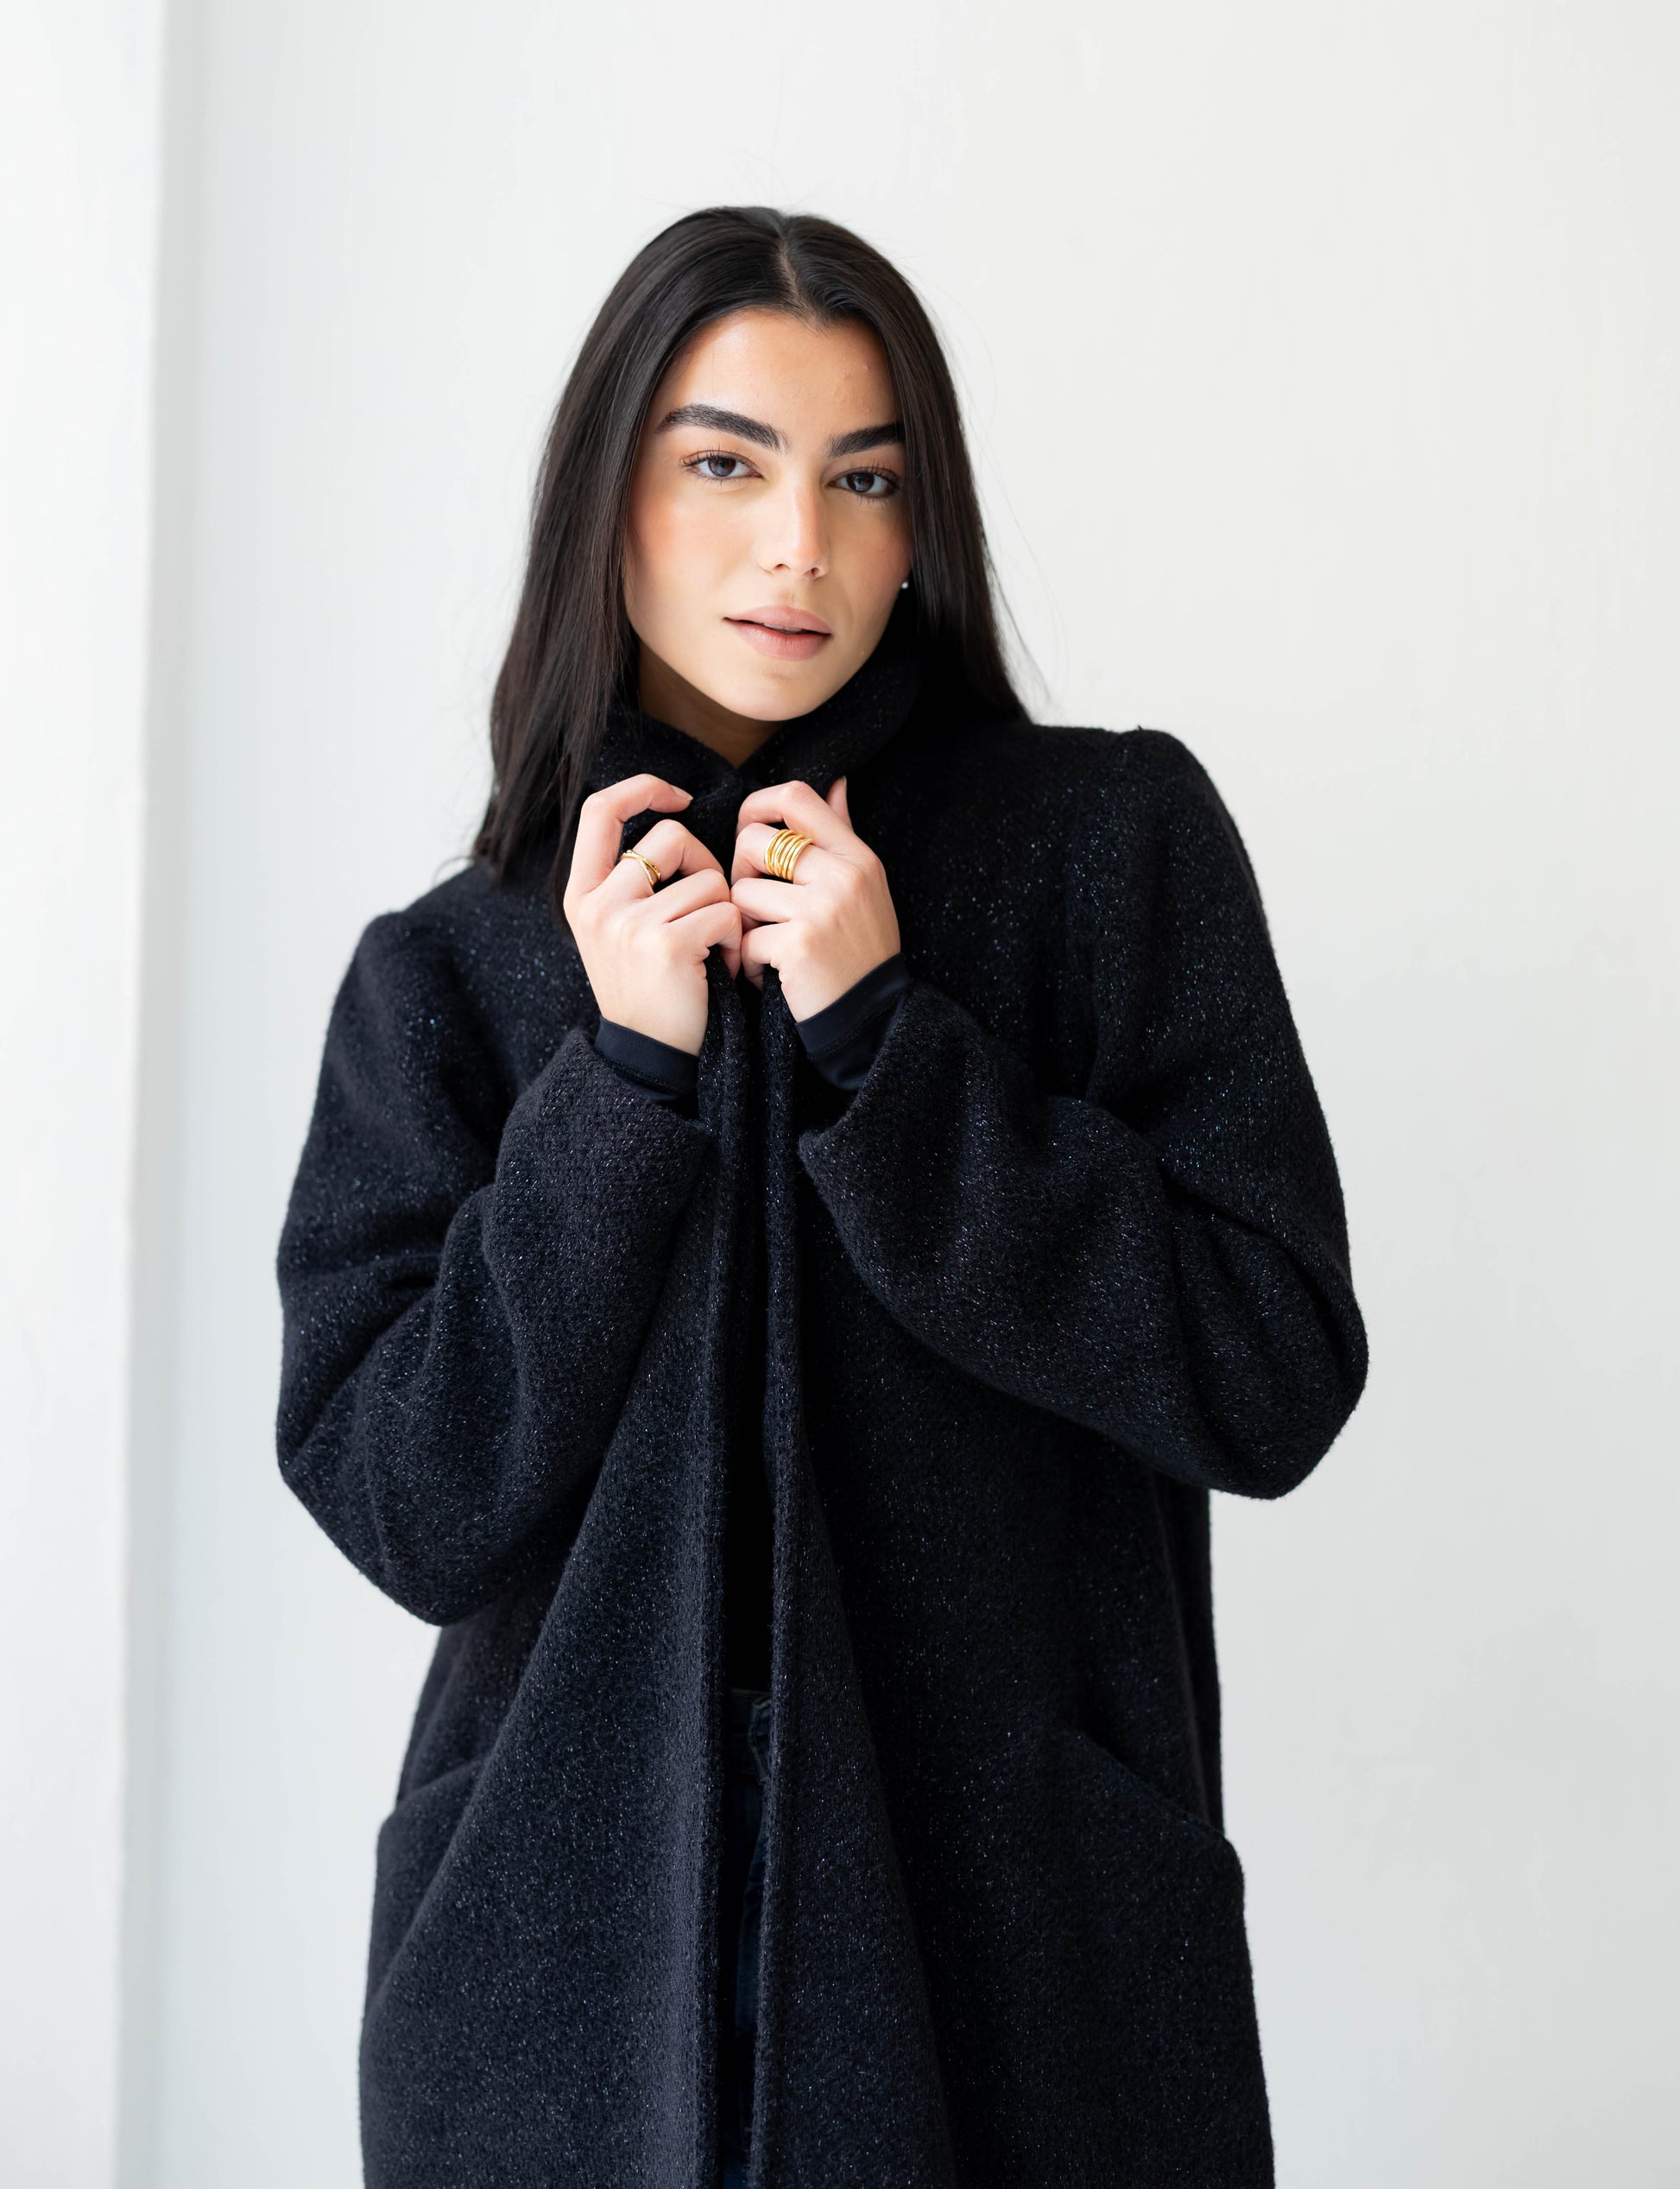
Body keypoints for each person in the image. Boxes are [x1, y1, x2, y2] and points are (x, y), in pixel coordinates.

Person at [276, 205, 1367, 2189]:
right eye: (726, 463)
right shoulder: (453, 972)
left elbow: (1268, 1371)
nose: (801, 544)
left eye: (865, 479)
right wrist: (617, 1085)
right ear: (605, 497)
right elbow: (404, 1497)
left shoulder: (1105, 848)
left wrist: (892, 1049)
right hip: (560, 2025)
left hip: (1020, 1987)